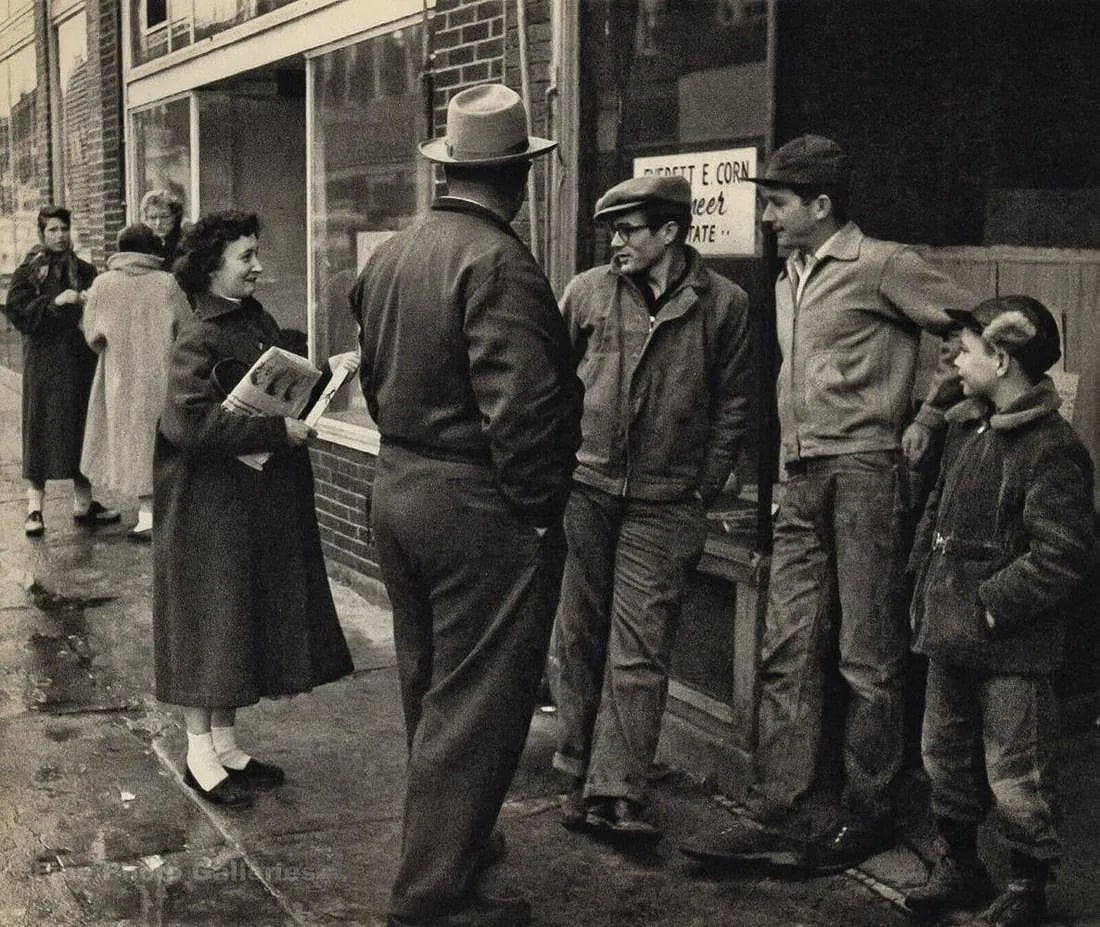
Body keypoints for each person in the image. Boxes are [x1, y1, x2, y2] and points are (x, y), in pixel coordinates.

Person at [680, 134, 975, 872]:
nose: (769, 216)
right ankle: (781, 805)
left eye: (778, 203)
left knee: (866, 655)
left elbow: (981, 328)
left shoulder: (883, 264)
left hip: (866, 473)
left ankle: (868, 813)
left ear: (821, 204)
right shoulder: (788, 275)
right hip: (799, 476)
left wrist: (930, 413)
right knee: (787, 643)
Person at [349, 83, 582, 927]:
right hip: (477, 503)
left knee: (432, 691)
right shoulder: (501, 264)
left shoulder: (393, 253)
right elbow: (523, 413)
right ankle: (430, 897)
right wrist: (538, 511)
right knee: (477, 703)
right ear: (518, 174)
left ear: (451, 168)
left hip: (399, 485)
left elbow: (373, 375)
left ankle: (462, 856)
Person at [552, 175, 752, 841]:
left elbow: (733, 404)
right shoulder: (586, 293)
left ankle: (618, 789)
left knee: (639, 645)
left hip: (665, 501)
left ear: (670, 232)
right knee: (578, 634)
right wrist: (560, 466)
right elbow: (551, 385)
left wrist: (705, 481)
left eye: (630, 229)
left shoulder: (722, 304)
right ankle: (579, 765)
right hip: (586, 489)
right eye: (611, 230)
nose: (616, 242)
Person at [153, 210, 356, 810]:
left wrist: (322, 383)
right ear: (212, 266)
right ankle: (197, 752)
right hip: (205, 508)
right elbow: (186, 423)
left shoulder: (250, 320)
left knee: (235, 616)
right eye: (246, 256)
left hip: (245, 502)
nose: (259, 265)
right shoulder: (198, 335)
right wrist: (276, 431)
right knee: (207, 620)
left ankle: (225, 742)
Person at [905, 296, 1094, 927]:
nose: (954, 360)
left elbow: (1062, 556)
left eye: (966, 349)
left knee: (1017, 770)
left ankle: (1026, 889)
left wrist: (988, 607)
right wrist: (924, 586)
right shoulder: (967, 428)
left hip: (1009, 646)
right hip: (948, 634)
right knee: (944, 756)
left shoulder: (1052, 449)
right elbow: (936, 512)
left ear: (1003, 357)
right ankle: (959, 866)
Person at [4, 204, 120, 537]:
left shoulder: (84, 270)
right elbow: (17, 310)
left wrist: (88, 301)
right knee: (40, 427)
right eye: (53, 230)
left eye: (64, 229)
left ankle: (84, 503)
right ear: (42, 233)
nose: (60, 235)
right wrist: (55, 303)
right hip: (44, 362)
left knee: (81, 426)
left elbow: (103, 311)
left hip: (79, 360)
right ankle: (34, 508)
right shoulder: (30, 272)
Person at [80, 223, 191, 541]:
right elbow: (186, 329)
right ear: (151, 250)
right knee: (161, 440)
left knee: (131, 442)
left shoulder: (102, 284)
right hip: (161, 373)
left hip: (120, 377)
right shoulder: (167, 283)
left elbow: (93, 336)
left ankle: (146, 513)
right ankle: (157, 513)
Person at [140, 189, 185, 267]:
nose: (158, 223)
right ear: (146, 219)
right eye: (152, 217)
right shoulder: (141, 246)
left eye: (164, 217)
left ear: (175, 216)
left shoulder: (185, 244)